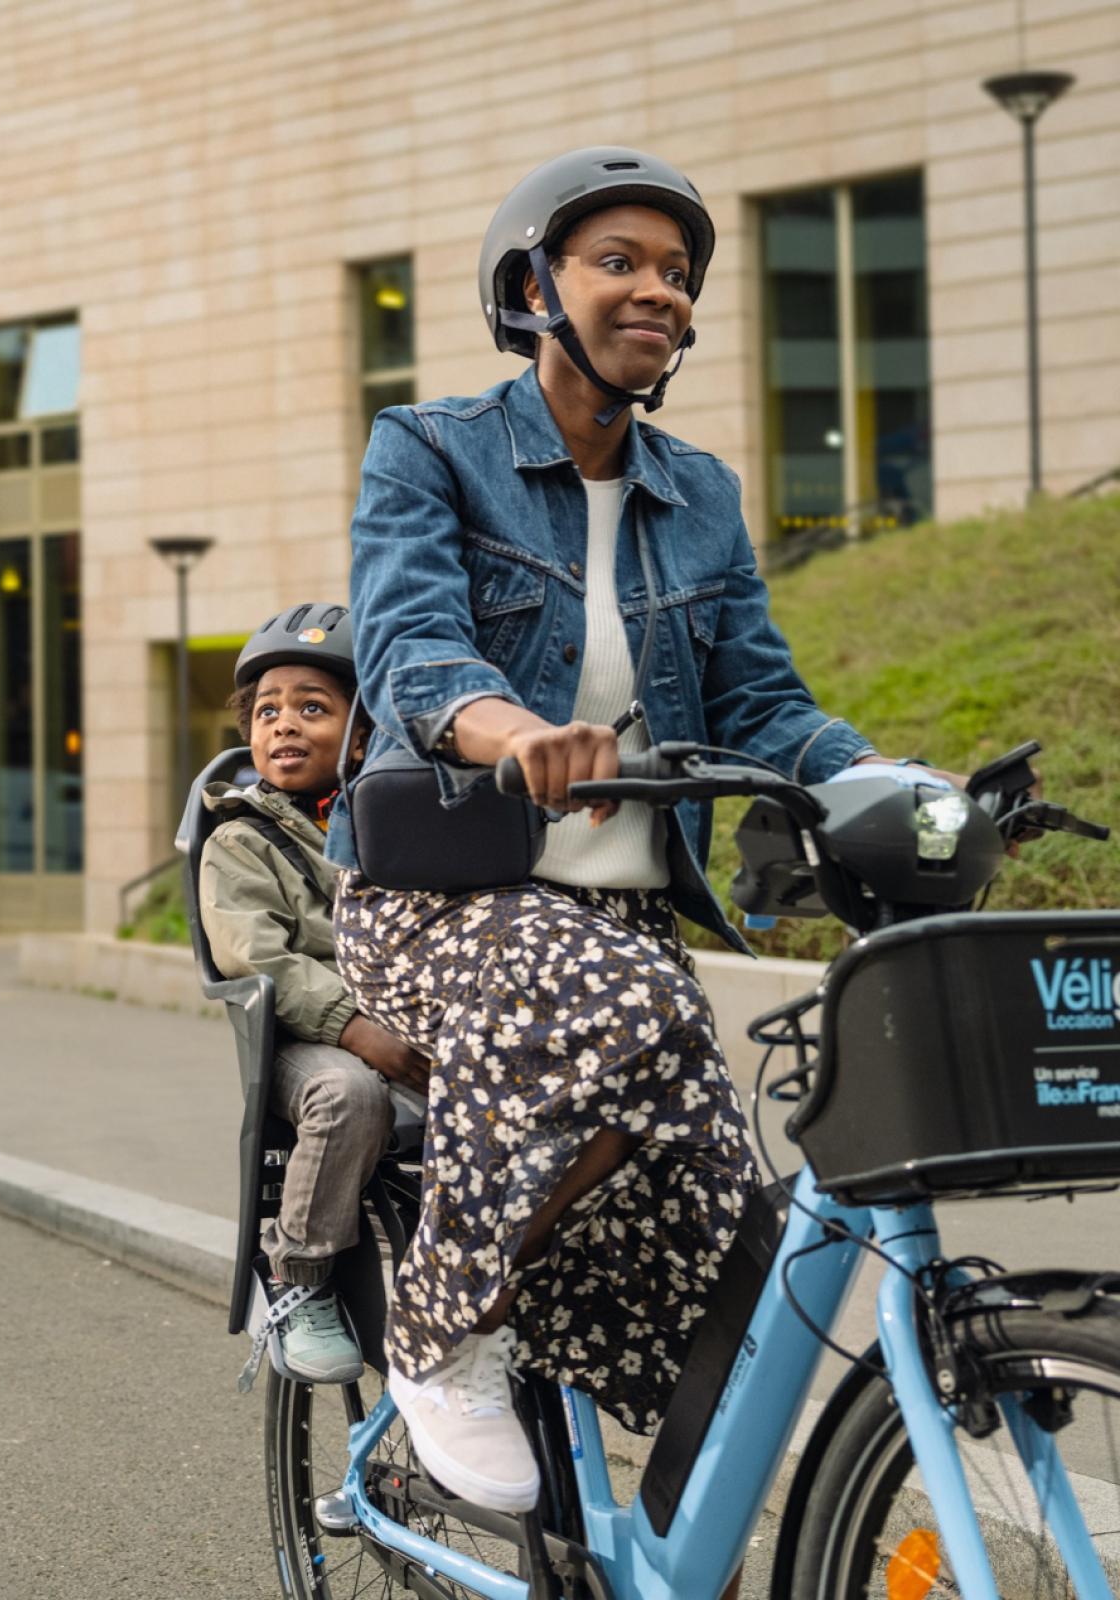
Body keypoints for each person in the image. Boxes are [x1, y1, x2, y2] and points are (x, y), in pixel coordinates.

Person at [329, 147, 914, 1527]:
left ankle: (656, 1549)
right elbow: (411, 644)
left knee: (728, 1251)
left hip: (621, 925)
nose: (660, 289)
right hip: (444, 897)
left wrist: (880, 775)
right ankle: (443, 1330)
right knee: (628, 1007)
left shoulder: (699, 493)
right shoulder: (431, 447)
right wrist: (506, 728)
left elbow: (763, 701)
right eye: (620, 262)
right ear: (535, 288)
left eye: (678, 272)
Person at [199, 602, 430, 1385]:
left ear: (362, 734)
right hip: (304, 1041)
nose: (285, 724)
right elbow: (255, 954)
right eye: (268, 712)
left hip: (407, 1023)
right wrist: (354, 1025)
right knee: (349, 1096)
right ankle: (299, 1278)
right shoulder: (241, 839)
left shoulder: (397, 825)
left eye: (312, 708)